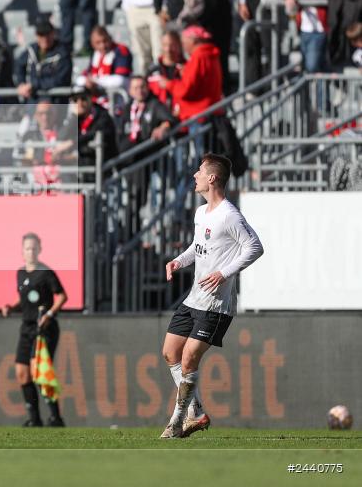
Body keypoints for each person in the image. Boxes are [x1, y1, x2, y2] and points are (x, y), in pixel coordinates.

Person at [161, 153, 264, 438]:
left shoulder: (229, 215)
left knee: (189, 359)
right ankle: (196, 413)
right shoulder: (200, 212)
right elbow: (197, 247)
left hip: (216, 305)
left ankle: (177, 422)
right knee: (170, 352)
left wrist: (224, 273)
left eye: (199, 171)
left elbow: (255, 247)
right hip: (194, 298)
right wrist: (178, 261)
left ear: (212, 177)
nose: (195, 175)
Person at [0, 233, 67, 427]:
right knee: (22, 372)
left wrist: (49, 315)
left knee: (39, 370)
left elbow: (62, 296)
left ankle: (56, 417)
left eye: (34, 248)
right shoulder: (21, 273)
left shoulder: (46, 273)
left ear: (39, 250)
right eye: (27, 248)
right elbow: (23, 299)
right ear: (22, 252)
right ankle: (34, 418)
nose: (30, 252)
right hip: (26, 327)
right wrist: (11, 307)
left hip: (44, 327)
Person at [56, 86, 118, 167]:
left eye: (83, 99)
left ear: (90, 99)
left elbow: (94, 134)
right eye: (75, 100)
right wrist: (74, 116)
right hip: (82, 166)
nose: (79, 103)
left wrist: (73, 143)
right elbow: (61, 137)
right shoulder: (76, 118)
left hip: (103, 166)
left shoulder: (102, 116)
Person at [14, 19, 71, 103]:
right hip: (33, 98)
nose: (45, 39)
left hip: (55, 101)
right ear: (36, 36)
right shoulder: (31, 51)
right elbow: (19, 66)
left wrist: (34, 84)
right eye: (41, 35)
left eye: (48, 35)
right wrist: (21, 83)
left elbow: (60, 80)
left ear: (53, 34)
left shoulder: (62, 53)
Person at [76, 26, 133, 106]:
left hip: (117, 100)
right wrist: (88, 82)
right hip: (98, 98)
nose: (103, 45)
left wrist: (95, 82)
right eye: (98, 42)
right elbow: (84, 76)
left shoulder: (120, 50)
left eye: (105, 41)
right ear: (92, 44)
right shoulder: (95, 54)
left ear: (110, 38)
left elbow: (120, 80)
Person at [119, 75, 176, 155]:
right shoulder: (127, 108)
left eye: (142, 87)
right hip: (130, 153)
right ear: (130, 91)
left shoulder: (155, 104)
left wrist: (162, 128)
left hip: (149, 153)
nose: (139, 91)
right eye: (136, 88)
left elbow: (168, 119)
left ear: (148, 88)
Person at [146, 30, 185, 111]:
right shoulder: (152, 70)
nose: (168, 49)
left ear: (179, 45)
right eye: (165, 45)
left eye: (172, 45)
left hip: (183, 114)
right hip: (159, 115)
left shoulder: (187, 68)